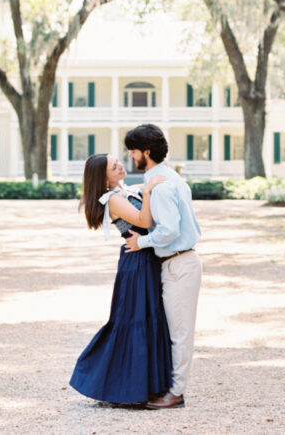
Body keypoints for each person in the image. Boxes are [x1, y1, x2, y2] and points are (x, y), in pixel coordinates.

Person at [69, 153, 172, 405]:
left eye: (117, 162)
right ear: (102, 177)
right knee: (134, 320)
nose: (120, 166)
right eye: (113, 166)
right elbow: (144, 220)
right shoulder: (113, 199)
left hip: (146, 258)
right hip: (136, 262)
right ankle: (124, 388)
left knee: (150, 318)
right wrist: (148, 192)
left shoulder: (127, 190)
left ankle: (147, 387)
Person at [123, 123, 202, 410]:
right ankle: (169, 386)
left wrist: (140, 243)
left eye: (133, 151)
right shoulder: (166, 178)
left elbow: (168, 230)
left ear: (146, 151)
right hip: (176, 262)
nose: (130, 156)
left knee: (179, 332)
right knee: (172, 330)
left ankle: (176, 392)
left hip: (179, 262)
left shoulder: (163, 186)